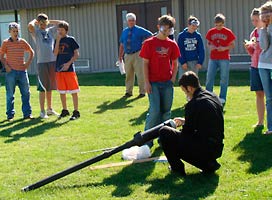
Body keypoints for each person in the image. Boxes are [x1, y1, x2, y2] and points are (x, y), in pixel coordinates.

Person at [159, 71, 224, 176]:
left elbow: (187, 133)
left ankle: (177, 168)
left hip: (204, 149)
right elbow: (206, 121)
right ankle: (209, 163)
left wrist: (175, 134)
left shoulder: (194, 104)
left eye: (185, 91)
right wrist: (186, 120)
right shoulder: (213, 97)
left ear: (189, 88)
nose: (186, 94)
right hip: (217, 148)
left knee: (164, 132)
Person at [140, 15, 180, 148]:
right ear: (158, 27)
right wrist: (146, 82)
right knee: (155, 110)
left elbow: (175, 62)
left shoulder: (172, 44)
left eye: (169, 29)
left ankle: (165, 139)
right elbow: (145, 63)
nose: (166, 31)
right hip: (153, 83)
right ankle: (146, 140)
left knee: (166, 111)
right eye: (164, 27)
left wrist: (173, 78)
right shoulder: (149, 43)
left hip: (167, 83)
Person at [28, 13, 62, 119]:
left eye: (44, 22)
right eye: (41, 23)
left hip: (52, 62)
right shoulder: (36, 32)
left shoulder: (50, 30)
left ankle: (49, 109)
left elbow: (61, 23)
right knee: (42, 87)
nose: (43, 24)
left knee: (50, 87)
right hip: (42, 63)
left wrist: (48, 21)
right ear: (38, 23)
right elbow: (29, 26)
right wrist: (36, 21)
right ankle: (42, 111)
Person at [0, 22, 34, 121]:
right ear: (9, 32)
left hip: (22, 72)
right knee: (10, 95)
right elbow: (1, 56)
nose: (15, 33)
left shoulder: (22, 42)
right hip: (11, 72)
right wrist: (6, 66)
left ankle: (27, 114)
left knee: (26, 93)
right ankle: (10, 115)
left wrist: (27, 63)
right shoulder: (5, 43)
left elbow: (31, 52)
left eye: (17, 31)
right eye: (13, 31)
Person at [119, 13, 153, 98]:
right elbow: (122, 44)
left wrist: (144, 43)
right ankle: (128, 91)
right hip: (127, 55)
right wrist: (120, 55)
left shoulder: (139, 30)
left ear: (135, 21)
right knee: (128, 74)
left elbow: (151, 35)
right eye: (130, 20)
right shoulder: (124, 31)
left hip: (138, 54)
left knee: (140, 73)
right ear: (127, 21)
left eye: (133, 20)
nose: (131, 22)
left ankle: (142, 92)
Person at [205, 13, 236, 106]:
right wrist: (212, 46)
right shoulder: (211, 32)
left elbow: (232, 44)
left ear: (223, 23)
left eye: (220, 25)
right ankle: (208, 96)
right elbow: (208, 43)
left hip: (224, 58)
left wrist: (224, 48)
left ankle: (222, 97)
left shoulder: (228, 32)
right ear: (214, 24)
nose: (218, 27)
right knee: (209, 77)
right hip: (213, 58)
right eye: (217, 25)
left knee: (224, 78)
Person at [53, 21, 80, 120]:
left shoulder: (71, 40)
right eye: (58, 29)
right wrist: (58, 40)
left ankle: (76, 111)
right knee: (62, 91)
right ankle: (65, 110)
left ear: (66, 30)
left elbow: (76, 54)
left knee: (74, 90)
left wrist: (68, 64)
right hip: (59, 69)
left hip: (69, 69)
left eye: (62, 30)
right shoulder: (57, 40)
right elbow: (55, 53)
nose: (59, 31)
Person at [244, 8, 265, 128]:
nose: (254, 23)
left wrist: (260, 46)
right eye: (253, 20)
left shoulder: (267, 32)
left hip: (266, 65)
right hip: (255, 65)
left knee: (269, 94)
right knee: (258, 93)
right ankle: (260, 121)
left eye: (256, 20)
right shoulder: (253, 33)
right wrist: (249, 48)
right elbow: (252, 53)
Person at [258, 1, 272, 134]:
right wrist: (263, 30)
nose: (266, 17)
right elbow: (264, 46)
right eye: (264, 14)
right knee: (269, 97)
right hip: (263, 64)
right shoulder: (263, 29)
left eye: (268, 13)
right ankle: (271, 128)